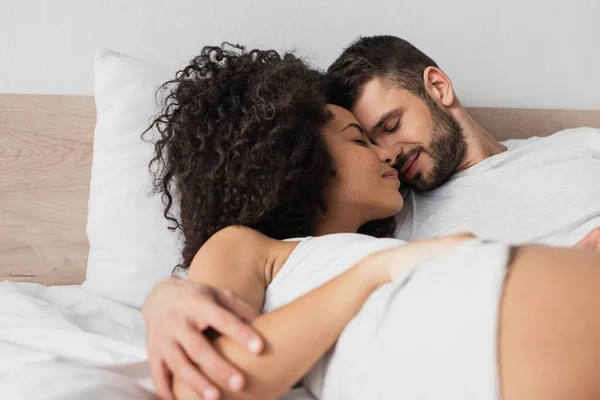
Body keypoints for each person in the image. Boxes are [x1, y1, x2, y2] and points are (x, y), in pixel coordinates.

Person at [142, 44, 600, 400]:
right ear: (301, 160)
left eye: (390, 125)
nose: (389, 154)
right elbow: (205, 371)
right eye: (360, 138)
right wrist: (160, 298)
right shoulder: (253, 246)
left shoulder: (375, 234)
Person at [326, 35, 600, 248]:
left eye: (392, 126)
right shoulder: (393, 224)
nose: (388, 153)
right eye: (369, 142)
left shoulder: (579, 145)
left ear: (438, 87)